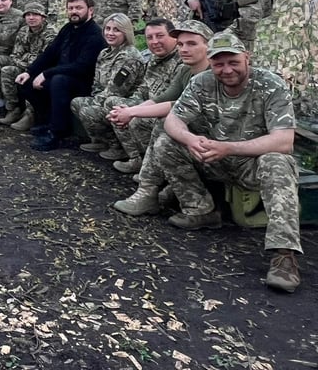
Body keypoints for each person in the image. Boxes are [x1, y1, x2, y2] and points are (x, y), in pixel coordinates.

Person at [154, 32, 301, 294]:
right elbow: (173, 120)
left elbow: (283, 141)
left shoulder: (270, 85)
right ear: (210, 63)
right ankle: (201, 209)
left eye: (233, 61)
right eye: (218, 64)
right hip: (215, 158)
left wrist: (229, 148)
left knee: (278, 162)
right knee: (167, 141)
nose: (226, 70)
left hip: (252, 163)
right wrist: (190, 139)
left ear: (247, 57)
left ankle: (284, 256)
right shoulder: (203, 82)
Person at [111, 20, 213, 216]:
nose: (184, 49)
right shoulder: (186, 70)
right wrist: (129, 111)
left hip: (211, 138)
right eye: (181, 44)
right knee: (141, 121)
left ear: (208, 45)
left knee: (162, 123)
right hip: (191, 133)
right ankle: (167, 184)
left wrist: (132, 112)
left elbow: (177, 106)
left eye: (192, 44)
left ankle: (147, 190)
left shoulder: (213, 73)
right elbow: (162, 98)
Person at [16, 0, 105, 151]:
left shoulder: (95, 34)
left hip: (82, 81)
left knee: (58, 81)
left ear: (90, 10)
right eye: (70, 8)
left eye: (78, 8)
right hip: (62, 76)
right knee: (25, 81)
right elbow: (50, 52)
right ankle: (47, 122)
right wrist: (30, 71)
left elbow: (81, 66)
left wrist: (46, 73)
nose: (74, 12)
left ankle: (58, 134)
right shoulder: (68, 28)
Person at [97, 17, 181, 173]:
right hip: (149, 105)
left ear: (173, 36)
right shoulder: (154, 59)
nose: (154, 42)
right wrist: (128, 107)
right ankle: (136, 159)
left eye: (160, 36)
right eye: (150, 37)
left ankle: (155, 170)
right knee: (114, 104)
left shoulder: (182, 61)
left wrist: (134, 111)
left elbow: (173, 100)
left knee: (136, 119)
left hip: (169, 114)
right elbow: (144, 88)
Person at [71, 13, 145, 156]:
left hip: (125, 101)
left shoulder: (129, 56)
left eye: (116, 30)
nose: (110, 33)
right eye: (108, 29)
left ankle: (117, 146)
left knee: (88, 110)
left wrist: (94, 104)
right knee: (77, 103)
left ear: (126, 32)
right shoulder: (105, 53)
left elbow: (116, 90)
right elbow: (97, 84)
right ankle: (101, 141)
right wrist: (95, 98)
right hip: (106, 98)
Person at [0, 3, 58, 130]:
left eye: (35, 15)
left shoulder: (51, 34)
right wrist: (27, 63)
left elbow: (45, 59)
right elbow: (15, 55)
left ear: (43, 17)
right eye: (28, 15)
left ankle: (30, 114)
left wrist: (28, 61)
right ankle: (13, 109)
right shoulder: (23, 31)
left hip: (43, 71)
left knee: (31, 78)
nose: (31, 18)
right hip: (25, 67)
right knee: (7, 71)